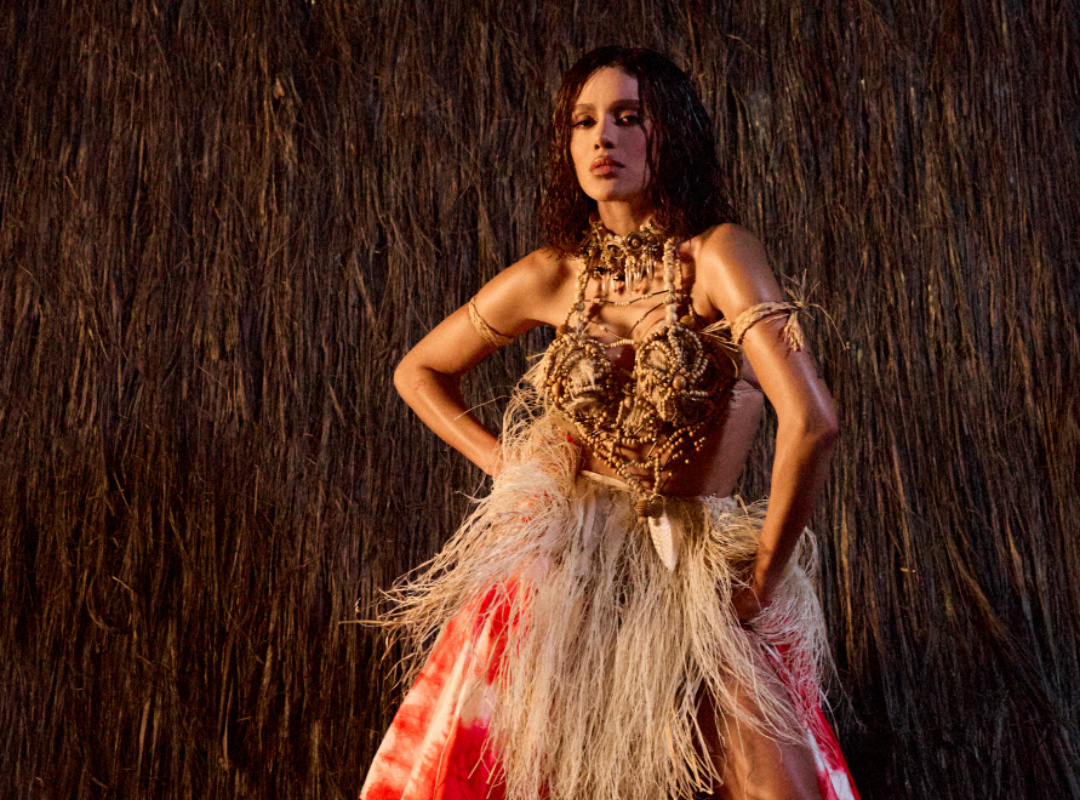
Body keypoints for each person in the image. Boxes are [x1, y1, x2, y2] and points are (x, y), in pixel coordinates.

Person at [361, 47, 860, 800]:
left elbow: (813, 423)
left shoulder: (718, 258)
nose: (604, 138)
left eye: (630, 117)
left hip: (687, 572)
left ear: (673, 134)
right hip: (560, 570)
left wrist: (761, 583)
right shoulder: (555, 275)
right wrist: (512, 468)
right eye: (584, 121)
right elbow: (418, 371)